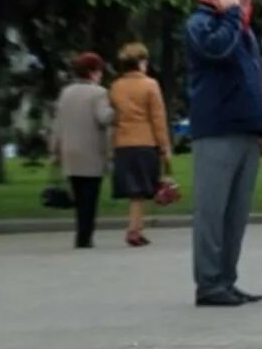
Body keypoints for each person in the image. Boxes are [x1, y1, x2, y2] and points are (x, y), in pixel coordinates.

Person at [185, 0, 262, 307]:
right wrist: (231, 16)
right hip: (217, 131)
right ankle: (208, 283)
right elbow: (215, 51)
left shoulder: (243, 30)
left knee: (235, 215)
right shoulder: (202, 24)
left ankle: (227, 279)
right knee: (212, 212)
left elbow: (254, 82)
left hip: (246, 131)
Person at [109, 42, 172, 248]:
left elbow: (113, 116)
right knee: (141, 190)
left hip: (123, 142)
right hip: (145, 141)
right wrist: (164, 147)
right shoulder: (150, 85)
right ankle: (134, 230)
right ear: (141, 62)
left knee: (135, 191)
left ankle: (136, 227)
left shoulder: (116, 86)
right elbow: (158, 119)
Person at [50, 52, 114, 250]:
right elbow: (104, 118)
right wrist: (118, 110)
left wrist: (55, 149)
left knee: (78, 196)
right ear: (92, 72)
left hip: (70, 152)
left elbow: (58, 124)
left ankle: (80, 233)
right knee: (90, 197)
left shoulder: (66, 93)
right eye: (99, 71)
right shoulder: (99, 93)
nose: (101, 75)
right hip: (91, 153)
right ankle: (85, 236)